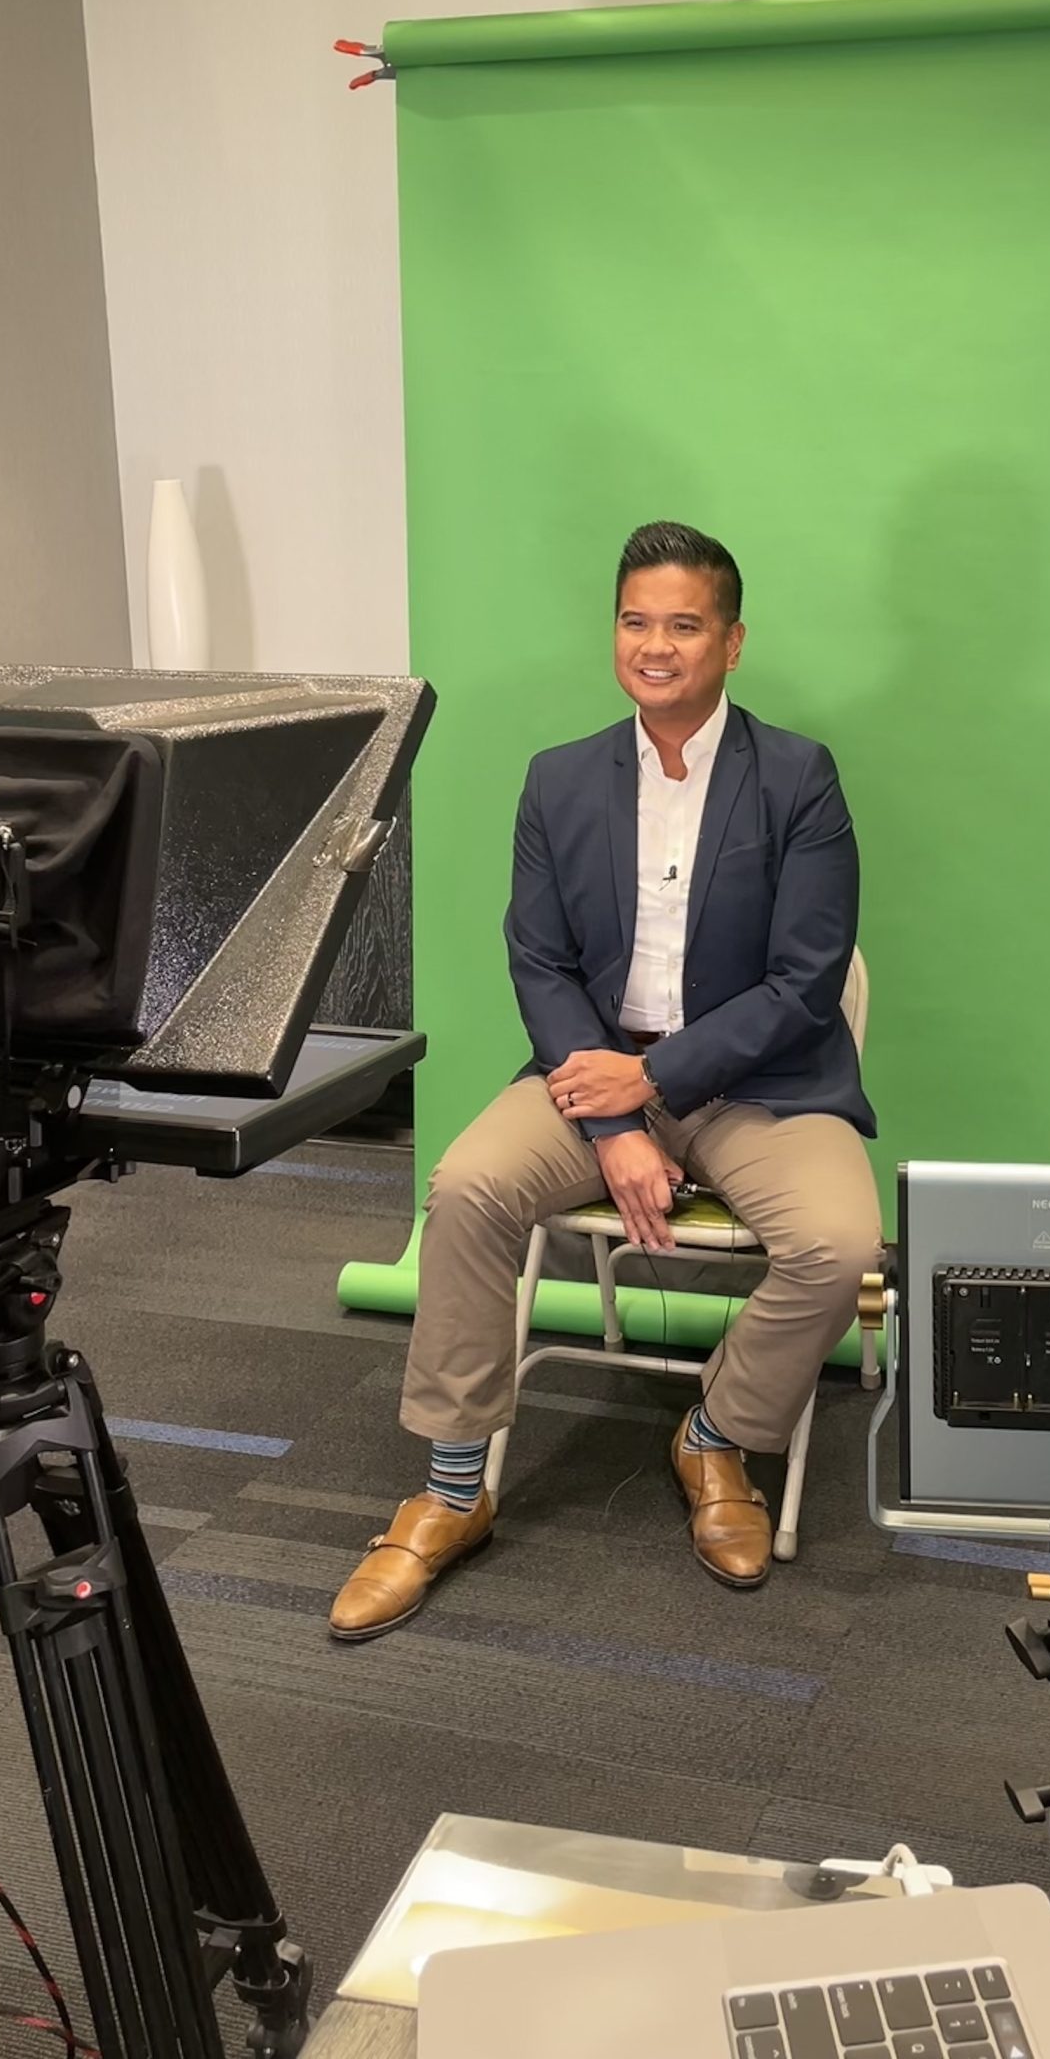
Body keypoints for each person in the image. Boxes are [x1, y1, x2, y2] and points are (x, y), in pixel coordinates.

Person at [329, 521, 879, 1639]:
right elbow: (539, 961)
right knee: (468, 1187)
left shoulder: (797, 777)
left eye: (684, 625)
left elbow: (806, 983)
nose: (655, 646)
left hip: (756, 1080)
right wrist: (614, 1115)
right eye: (636, 621)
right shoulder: (560, 779)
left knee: (839, 1243)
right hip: (587, 1070)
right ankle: (452, 1490)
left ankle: (715, 1438)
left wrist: (653, 1080)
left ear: (732, 643)